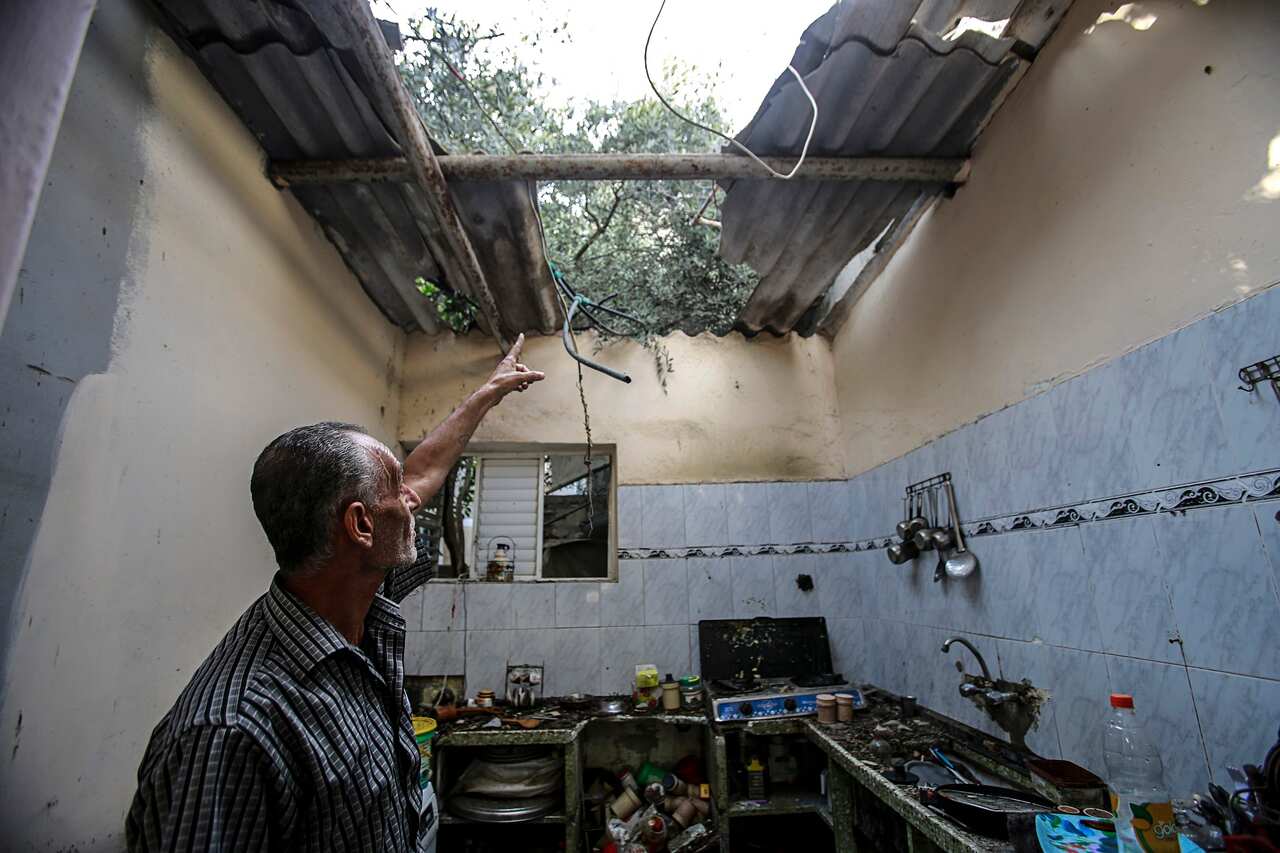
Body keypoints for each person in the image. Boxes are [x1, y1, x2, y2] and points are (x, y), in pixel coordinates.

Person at [126, 335, 545, 852]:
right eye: (395, 487)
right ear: (360, 526)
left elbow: (424, 473)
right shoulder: (229, 734)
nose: (412, 499)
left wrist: (486, 396)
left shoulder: (355, 594)